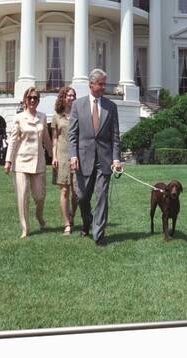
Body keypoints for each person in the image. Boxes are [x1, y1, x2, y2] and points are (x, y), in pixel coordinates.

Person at [69, 68, 121, 246]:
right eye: (101, 84)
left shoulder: (111, 106)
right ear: (91, 84)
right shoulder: (77, 105)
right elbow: (72, 135)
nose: (104, 87)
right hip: (83, 159)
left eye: (105, 83)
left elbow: (115, 136)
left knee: (102, 197)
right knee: (82, 197)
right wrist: (73, 156)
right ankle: (87, 220)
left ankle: (99, 234)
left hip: (104, 160)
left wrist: (116, 159)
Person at [4, 87, 52, 239]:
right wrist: (8, 161)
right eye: (30, 97)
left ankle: (39, 217)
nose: (32, 100)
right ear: (25, 100)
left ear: (38, 101)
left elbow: (46, 139)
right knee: (22, 196)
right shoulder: (18, 118)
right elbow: (12, 141)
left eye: (35, 98)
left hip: (38, 162)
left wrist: (53, 155)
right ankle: (25, 228)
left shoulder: (43, 117)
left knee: (39, 196)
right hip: (21, 162)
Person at [51, 86, 78, 235]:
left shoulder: (78, 114)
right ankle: (67, 223)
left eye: (73, 96)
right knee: (64, 190)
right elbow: (54, 138)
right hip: (61, 155)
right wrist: (54, 156)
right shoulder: (56, 116)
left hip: (75, 156)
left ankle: (72, 214)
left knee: (77, 193)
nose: (72, 98)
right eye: (69, 95)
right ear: (63, 97)